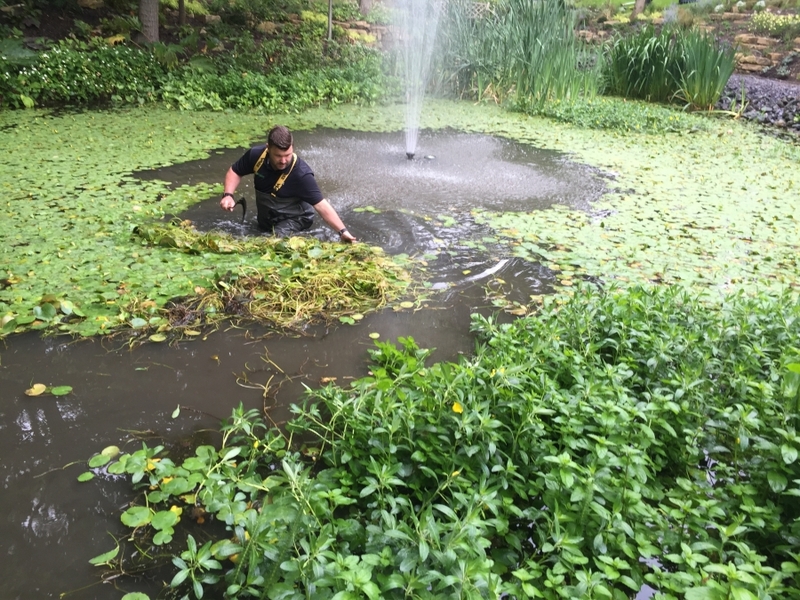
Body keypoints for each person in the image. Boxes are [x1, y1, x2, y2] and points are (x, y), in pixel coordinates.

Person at [220, 126, 356, 242]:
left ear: (293, 148)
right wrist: (228, 195)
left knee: (275, 240)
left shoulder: (301, 174)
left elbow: (321, 205)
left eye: (288, 155)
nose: (284, 160)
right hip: (268, 217)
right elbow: (235, 171)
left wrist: (343, 232)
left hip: (297, 218)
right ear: (268, 149)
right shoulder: (256, 156)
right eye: (278, 156)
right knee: (260, 232)